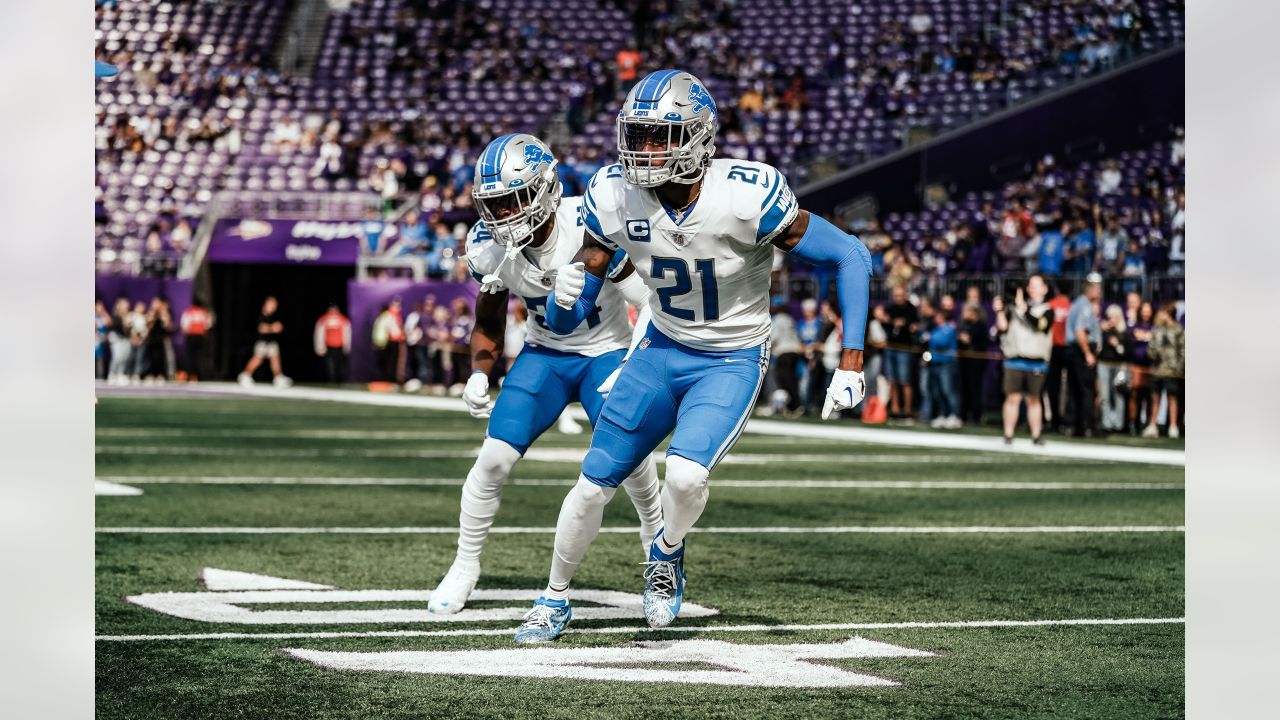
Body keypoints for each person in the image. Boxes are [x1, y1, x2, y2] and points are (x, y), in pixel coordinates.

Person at [517, 70, 871, 642]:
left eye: (661, 136)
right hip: (660, 346)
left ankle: (666, 554)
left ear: (700, 137)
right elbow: (569, 317)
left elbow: (851, 255)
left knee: (683, 477)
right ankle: (554, 598)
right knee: (590, 484)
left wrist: (851, 363)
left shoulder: (745, 195)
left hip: (729, 356)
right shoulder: (612, 195)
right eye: (637, 135)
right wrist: (562, 299)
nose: (643, 151)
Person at [428, 134, 661, 616]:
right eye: (494, 204)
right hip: (545, 355)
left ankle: (654, 549)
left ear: (546, 187)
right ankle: (465, 564)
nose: (504, 215)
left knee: (633, 459)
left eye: (514, 198)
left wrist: (636, 361)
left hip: (606, 351)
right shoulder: (487, 247)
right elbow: (489, 322)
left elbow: (649, 302)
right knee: (492, 459)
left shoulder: (589, 224)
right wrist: (479, 373)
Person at [993, 274, 1053, 444]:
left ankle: (1036, 435)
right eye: (1030, 286)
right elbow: (1002, 327)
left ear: (1044, 289)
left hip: (1036, 361)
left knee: (1034, 399)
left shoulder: (1047, 310)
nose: (1033, 290)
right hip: (1015, 359)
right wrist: (999, 311)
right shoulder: (1015, 309)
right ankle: (1008, 434)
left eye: (1037, 286)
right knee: (1012, 398)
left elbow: (1040, 325)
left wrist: (1022, 308)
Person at [1064, 274, 1103, 437]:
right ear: (1091, 288)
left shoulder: (1077, 303)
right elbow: (1080, 331)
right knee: (1087, 390)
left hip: (1072, 351)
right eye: (1098, 287)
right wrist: (1088, 353)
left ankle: (1074, 425)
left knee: (1074, 390)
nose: (1100, 291)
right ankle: (1088, 426)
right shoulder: (1086, 306)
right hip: (1080, 352)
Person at [1144, 304, 1184, 439]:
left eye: (1162, 313)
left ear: (1169, 313)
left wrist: (1178, 366)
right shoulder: (1157, 329)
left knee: (1172, 397)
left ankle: (1173, 426)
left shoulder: (1178, 329)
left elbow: (1183, 349)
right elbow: (1151, 347)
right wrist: (1153, 354)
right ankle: (1152, 425)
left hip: (1172, 371)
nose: (1160, 315)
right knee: (1155, 397)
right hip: (1157, 369)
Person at [883, 286, 920, 422]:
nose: (899, 297)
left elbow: (914, 326)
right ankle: (895, 410)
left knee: (905, 381)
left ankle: (908, 411)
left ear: (905, 295)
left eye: (901, 295)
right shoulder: (890, 308)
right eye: (896, 295)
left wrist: (902, 324)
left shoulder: (911, 308)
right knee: (892, 380)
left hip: (905, 348)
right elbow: (886, 323)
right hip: (890, 347)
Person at [238, 296, 291, 388]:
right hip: (262, 342)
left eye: (275, 305)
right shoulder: (261, 315)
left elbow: (278, 327)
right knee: (257, 359)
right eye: (272, 304)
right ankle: (245, 375)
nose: (274, 307)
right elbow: (261, 328)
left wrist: (276, 328)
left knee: (275, 359)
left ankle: (278, 377)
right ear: (266, 304)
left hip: (271, 341)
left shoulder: (273, 316)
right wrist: (273, 328)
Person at [924, 308, 961, 428]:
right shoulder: (936, 329)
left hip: (946, 363)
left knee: (947, 390)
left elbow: (941, 342)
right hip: (935, 362)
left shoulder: (949, 328)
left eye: (938, 317)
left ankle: (954, 415)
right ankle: (943, 415)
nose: (936, 319)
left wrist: (930, 338)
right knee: (937, 391)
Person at [1044, 279, 1072, 433]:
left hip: (1053, 348)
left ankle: (1055, 420)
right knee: (1069, 387)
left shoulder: (1051, 305)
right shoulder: (1071, 306)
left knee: (1052, 387)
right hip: (1067, 348)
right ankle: (1066, 419)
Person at [768, 300, 804, 416]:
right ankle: (795, 404)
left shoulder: (777, 320)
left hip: (783, 352)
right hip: (795, 352)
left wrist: (767, 348)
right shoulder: (790, 320)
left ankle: (792, 406)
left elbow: (774, 337)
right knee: (792, 379)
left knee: (784, 380)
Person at [956, 300, 989, 425]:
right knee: (964, 388)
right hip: (964, 361)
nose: (963, 313)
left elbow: (978, 342)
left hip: (976, 362)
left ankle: (976, 415)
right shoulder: (963, 324)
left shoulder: (980, 325)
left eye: (966, 311)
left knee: (975, 389)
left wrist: (968, 339)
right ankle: (963, 414)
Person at [313, 304, 351, 384]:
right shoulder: (324, 319)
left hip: (339, 346)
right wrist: (320, 347)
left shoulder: (342, 319)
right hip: (329, 346)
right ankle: (332, 381)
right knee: (330, 366)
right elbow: (319, 334)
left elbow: (347, 334)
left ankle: (338, 381)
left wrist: (347, 347)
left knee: (339, 365)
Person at [371, 298, 406, 383]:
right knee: (391, 362)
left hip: (386, 342)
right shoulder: (391, 315)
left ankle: (388, 379)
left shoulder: (386, 315)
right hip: (391, 341)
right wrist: (402, 337)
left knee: (389, 362)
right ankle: (390, 379)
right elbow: (394, 331)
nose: (399, 308)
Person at [180, 298, 214, 382]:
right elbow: (208, 325)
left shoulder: (189, 311)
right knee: (200, 357)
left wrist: (188, 331)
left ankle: (190, 376)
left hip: (191, 336)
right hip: (201, 336)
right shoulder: (204, 312)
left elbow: (184, 324)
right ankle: (199, 376)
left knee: (190, 357)